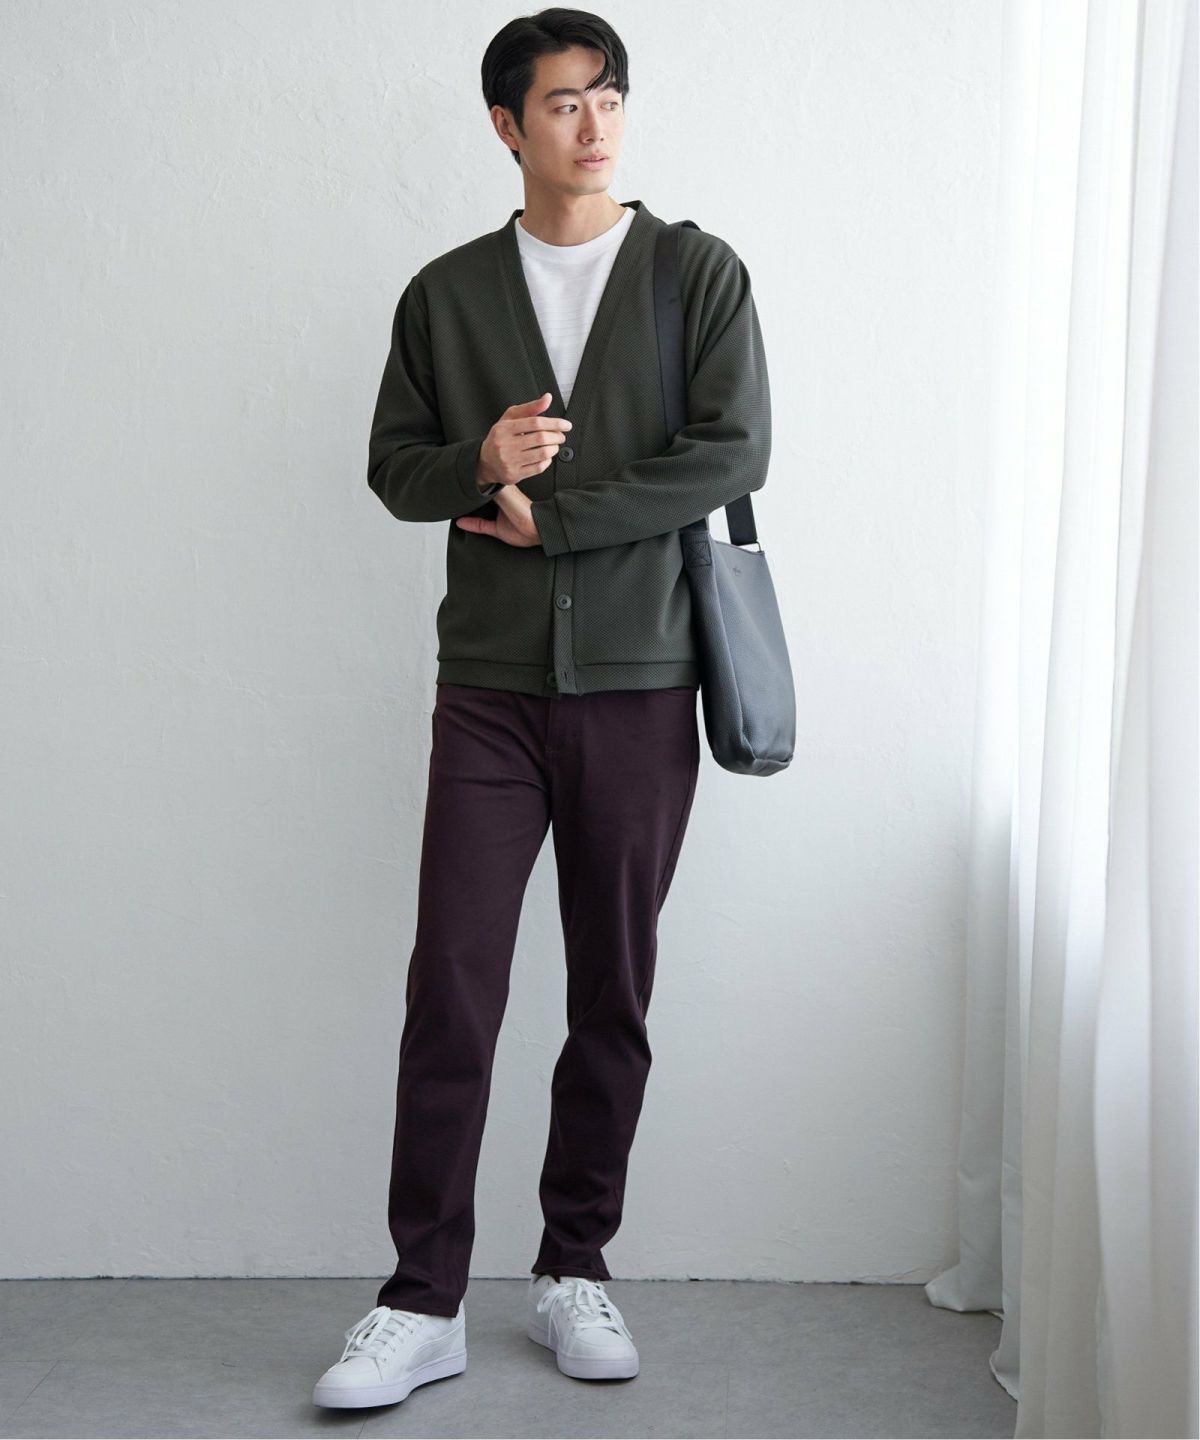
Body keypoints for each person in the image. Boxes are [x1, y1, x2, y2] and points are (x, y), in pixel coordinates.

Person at [313, 4, 771, 1411]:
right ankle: (422, 1299)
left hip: (642, 685)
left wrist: (556, 514)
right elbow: (394, 469)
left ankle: (576, 1265)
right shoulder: (447, 294)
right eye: (565, 102)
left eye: (608, 96)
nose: (594, 124)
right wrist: (480, 459)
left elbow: (733, 452)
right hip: (490, 697)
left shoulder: (695, 272)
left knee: (611, 989)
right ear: (507, 126)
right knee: (451, 987)